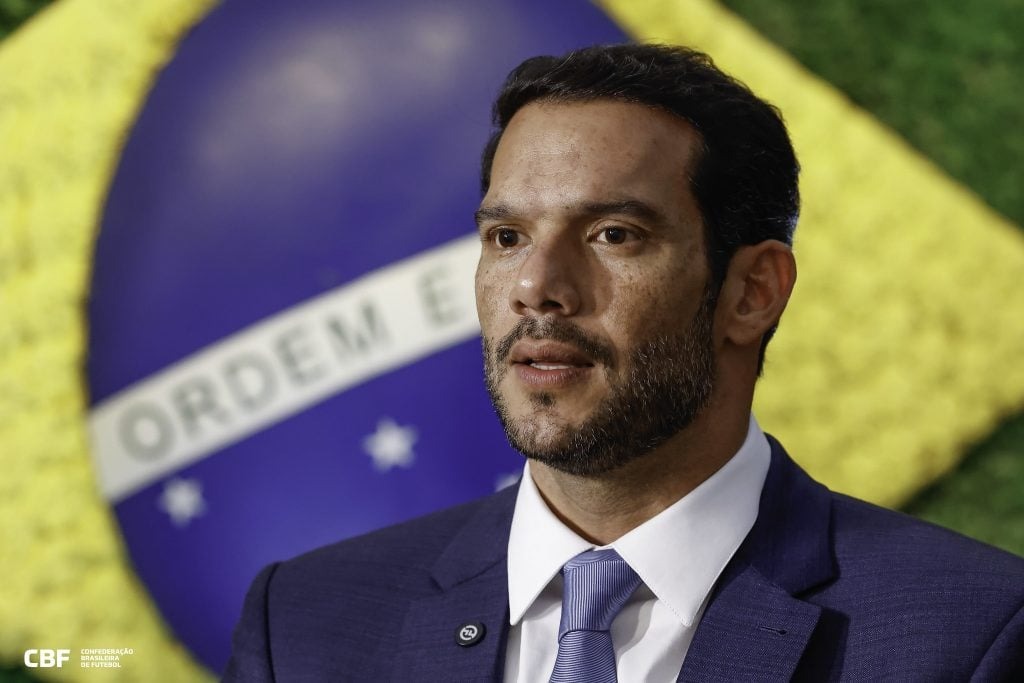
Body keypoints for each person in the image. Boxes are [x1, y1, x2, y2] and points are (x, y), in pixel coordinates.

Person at [224, 44, 1024, 681]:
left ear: (752, 292)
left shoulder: (971, 635)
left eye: (614, 234)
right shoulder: (302, 624)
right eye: (507, 237)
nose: (537, 287)